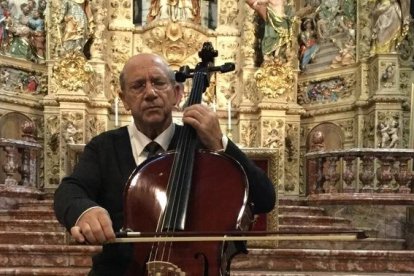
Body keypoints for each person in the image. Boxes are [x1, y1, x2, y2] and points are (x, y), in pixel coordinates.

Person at [54, 53, 276, 275]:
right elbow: (70, 190)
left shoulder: (204, 147)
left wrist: (219, 142)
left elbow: (264, 197)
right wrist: (84, 211)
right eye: (138, 86)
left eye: (159, 83)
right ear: (124, 100)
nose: (150, 93)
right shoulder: (104, 147)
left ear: (177, 94)